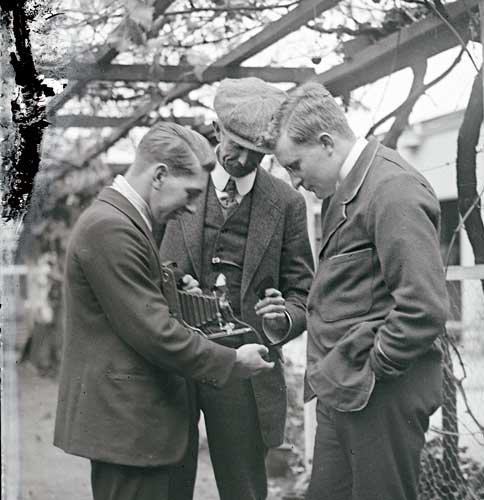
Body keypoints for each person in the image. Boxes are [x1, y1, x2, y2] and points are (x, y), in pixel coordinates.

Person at [53, 122, 274, 500]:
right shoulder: (111, 227)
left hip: (142, 429)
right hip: (130, 432)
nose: (191, 207)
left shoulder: (124, 220)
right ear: (159, 175)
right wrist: (232, 360)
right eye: (189, 194)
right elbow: (153, 330)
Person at [270, 82, 448, 500]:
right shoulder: (347, 187)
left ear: (326, 142)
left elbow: (423, 307)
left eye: (295, 166)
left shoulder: (392, 188)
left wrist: (374, 366)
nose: (295, 181)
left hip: (379, 395)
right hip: (346, 391)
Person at [159, 77, 314, 500]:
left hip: (244, 369)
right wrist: (174, 287)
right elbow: (146, 268)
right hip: (177, 361)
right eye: (235, 144)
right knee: (169, 482)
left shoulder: (286, 203)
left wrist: (283, 318)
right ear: (216, 129)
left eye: (257, 153)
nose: (243, 158)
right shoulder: (173, 185)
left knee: (244, 488)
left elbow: (303, 293)